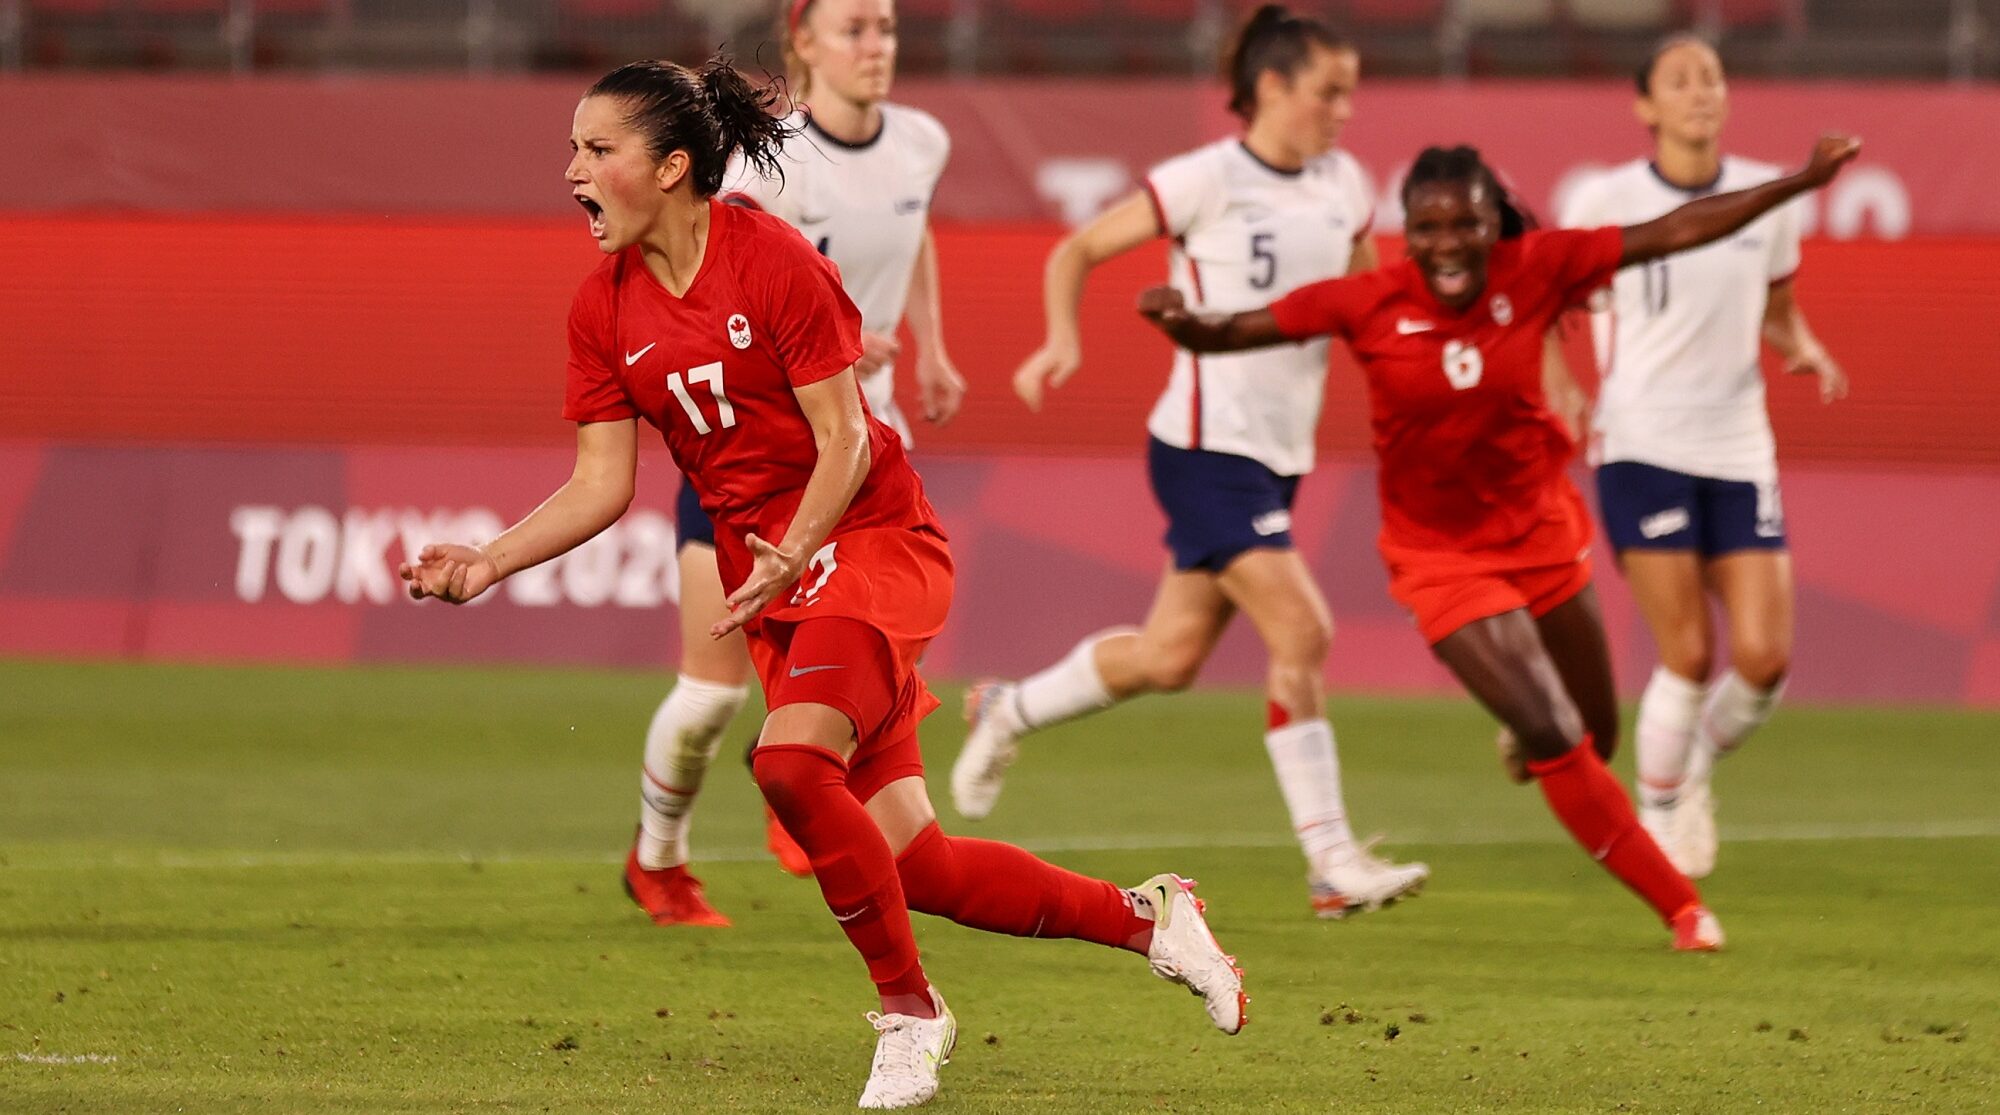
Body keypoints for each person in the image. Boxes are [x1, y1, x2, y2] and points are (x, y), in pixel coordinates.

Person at [401, 57, 1244, 1109]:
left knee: (791, 762)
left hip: (870, 540)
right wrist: (489, 558)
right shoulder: (599, 309)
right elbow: (600, 483)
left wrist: (794, 549)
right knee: (917, 863)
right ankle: (1148, 917)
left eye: (595, 148)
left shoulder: (770, 259)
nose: (571, 168)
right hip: (780, 577)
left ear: (668, 167)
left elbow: (844, 438)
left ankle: (910, 1013)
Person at [1132, 134, 1861, 950]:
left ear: (1493, 225)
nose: (1448, 244)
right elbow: (1235, 331)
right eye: (1429, 227)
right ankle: (1685, 909)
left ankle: (1534, 734)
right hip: (1439, 557)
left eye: (1466, 224)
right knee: (1556, 735)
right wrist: (1181, 324)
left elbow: (1680, 228)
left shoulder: (1539, 267)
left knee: (1594, 735)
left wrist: (1799, 180)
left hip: (1541, 532)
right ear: (1405, 233)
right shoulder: (1366, 298)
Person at [951, 3, 1428, 920]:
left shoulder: (1345, 184)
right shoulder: (1206, 177)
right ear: (1273, 87)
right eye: (1330, 91)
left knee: (1170, 657)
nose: (1343, 111)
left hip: (1278, 458)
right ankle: (1331, 861)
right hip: (1206, 450)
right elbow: (1082, 247)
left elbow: (1371, 302)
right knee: (1306, 633)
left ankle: (1009, 707)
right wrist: (1060, 342)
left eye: (1351, 95)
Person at [626, 0, 968, 926]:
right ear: (804, 42)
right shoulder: (764, 165)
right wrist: (832, 350)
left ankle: (805, 778)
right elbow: (712, 293)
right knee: (706, 696)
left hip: (858, 462)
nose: (876, 46)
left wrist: (929, 344)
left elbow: (913, 226)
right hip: (748, 463)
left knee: (873, 641)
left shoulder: (923, 142)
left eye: (888, 28)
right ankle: (657, 860)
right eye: (854, 28)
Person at [1559, 35, 1845, 879]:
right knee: (1685, 652)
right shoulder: (1606, 197)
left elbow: (1778, 309)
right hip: (1643, 440)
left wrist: (1806, 347)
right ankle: (1658, 812)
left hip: (1738, 443)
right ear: (1645, 106)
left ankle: (1687, 769)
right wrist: (1563, 389)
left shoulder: (1770, 198)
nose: (1701, 92)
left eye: (1712, 77)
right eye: (1680, 81)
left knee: (1762, 661)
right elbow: (1549, 304)